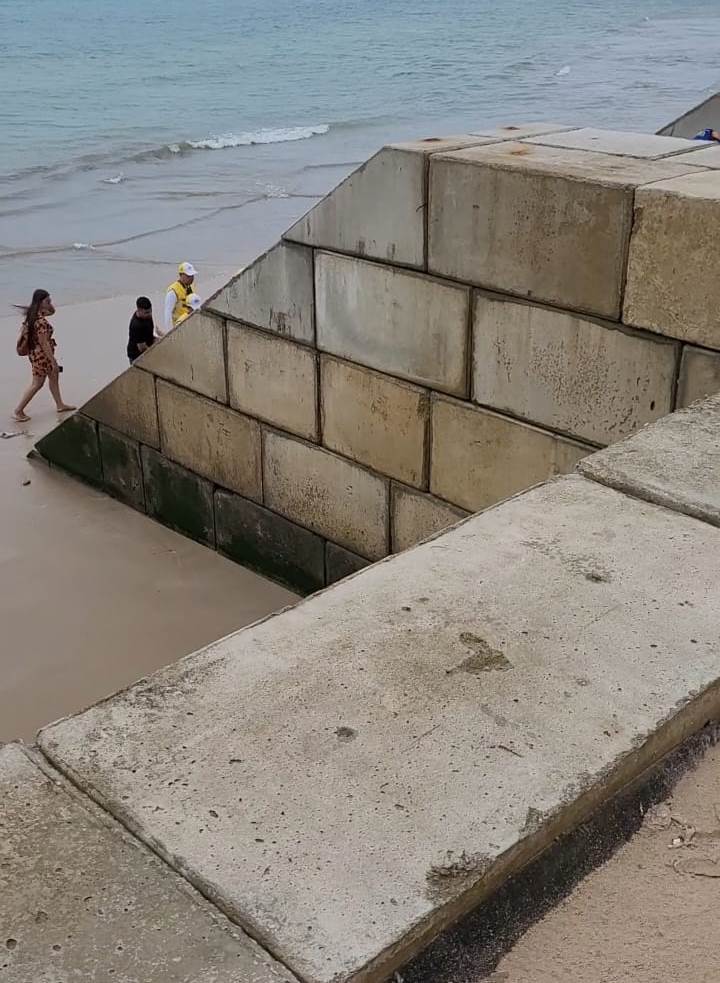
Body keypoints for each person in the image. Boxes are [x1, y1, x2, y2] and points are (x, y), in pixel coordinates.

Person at [13, 289, 75, 422]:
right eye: (47, 301)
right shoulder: (40, 321)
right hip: (42, 356)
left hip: (37, 354)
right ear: (40, 303)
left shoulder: (33, 315)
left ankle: (60, 404)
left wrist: (46, 304)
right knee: (37, 383)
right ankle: (18, 410)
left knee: (54, 376)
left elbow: (52, 311)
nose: (50, 303)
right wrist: (53, 361)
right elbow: (44, 342)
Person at [162, 262, 198, 336]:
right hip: (179, 326)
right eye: (188, 276)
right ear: (181, 275)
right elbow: (168, 313)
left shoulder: (191, 286)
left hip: (191, 323)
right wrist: (169, 334)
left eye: (192, 275)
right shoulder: (173, 291)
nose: (191, 278)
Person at [127, 296, 156, 363]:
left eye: (150, 311)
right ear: (139, 310)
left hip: (147, 346)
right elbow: (142, 348)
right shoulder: (136, 325)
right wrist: (155, 355)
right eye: (146, 312)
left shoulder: (147, 316)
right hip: (136, 356)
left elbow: (149, 333)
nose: (150, 314)